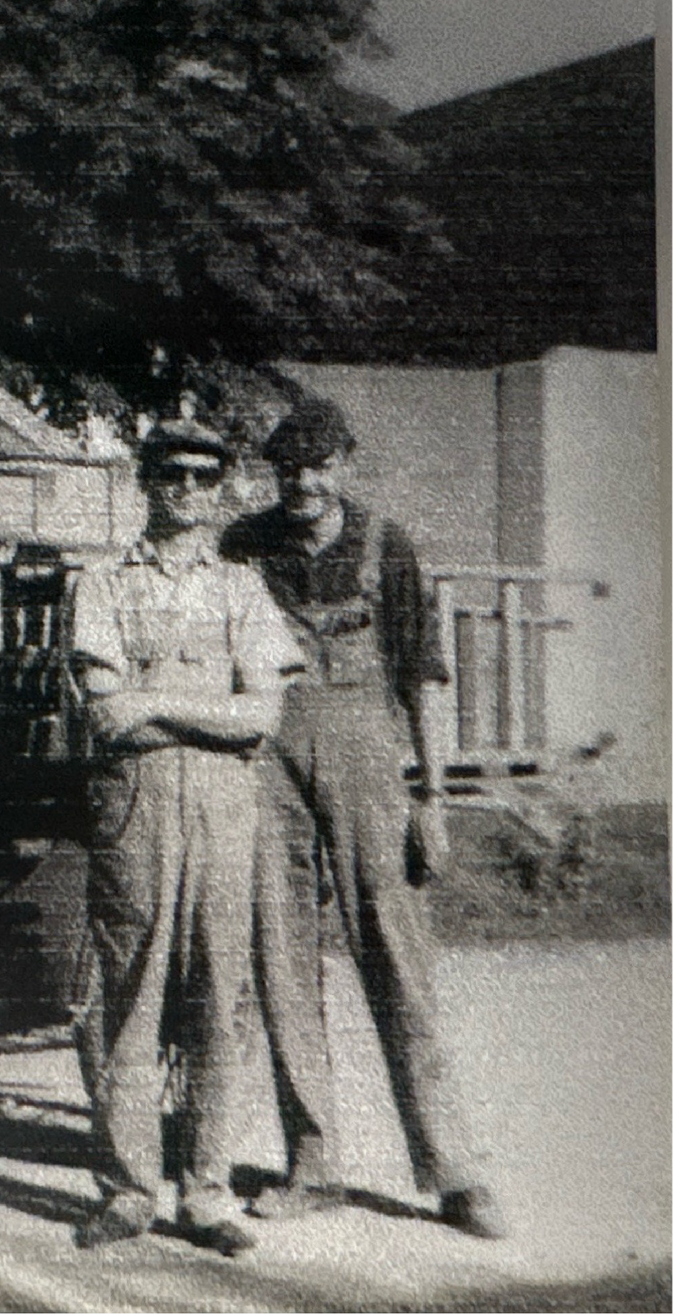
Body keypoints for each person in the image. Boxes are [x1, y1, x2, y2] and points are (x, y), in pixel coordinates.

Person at [221, 395, 507, 1238]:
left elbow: (421, 678)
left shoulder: (389, 545)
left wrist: (434, 798)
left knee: (396, 954)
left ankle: (453, 1170)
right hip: (268, 756)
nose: (301, 482)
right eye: (287, 468)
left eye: (316, 466)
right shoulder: (244, 546)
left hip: (369, 757)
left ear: (342, 465)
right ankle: (314, 1165)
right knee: (281, 957)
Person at [71, 420, 304, 1256]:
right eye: (171, 474)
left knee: (218, 996)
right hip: (135, 809)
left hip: (223, 811)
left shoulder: (242, 589)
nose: (187, 491)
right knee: (129, 998)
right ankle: (128, 1190)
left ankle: (208, 1193)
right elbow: (106, 717)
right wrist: (197, 707)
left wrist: (158, 699)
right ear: (146, 482)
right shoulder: (100, 583)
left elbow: (262, 718)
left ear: (220, 492)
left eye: (205, 479)